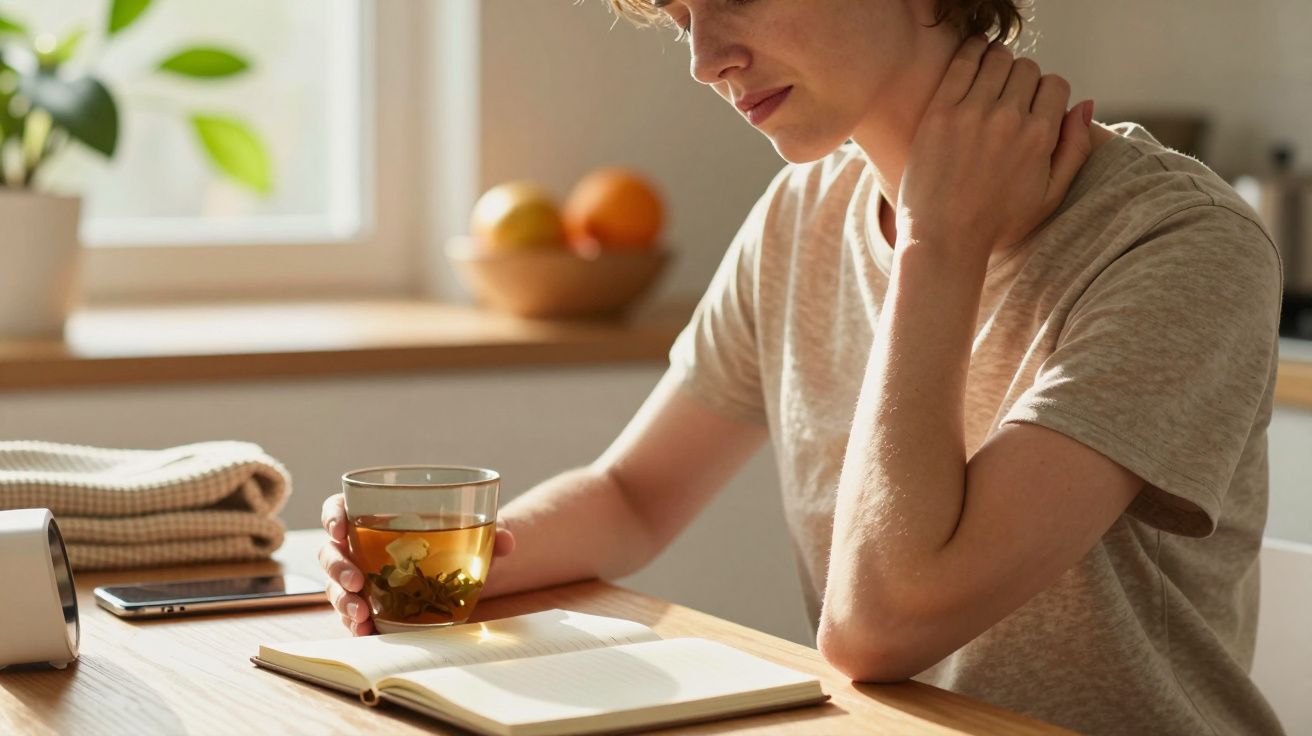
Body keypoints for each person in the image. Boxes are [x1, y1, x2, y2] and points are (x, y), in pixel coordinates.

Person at [319, 1, 1286, 733]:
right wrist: (455, 565)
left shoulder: (1178, 246)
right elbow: (633, 493)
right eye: (679, 15)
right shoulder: (804, 211)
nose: (702, 60)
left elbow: (880, 628)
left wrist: (935, 243)